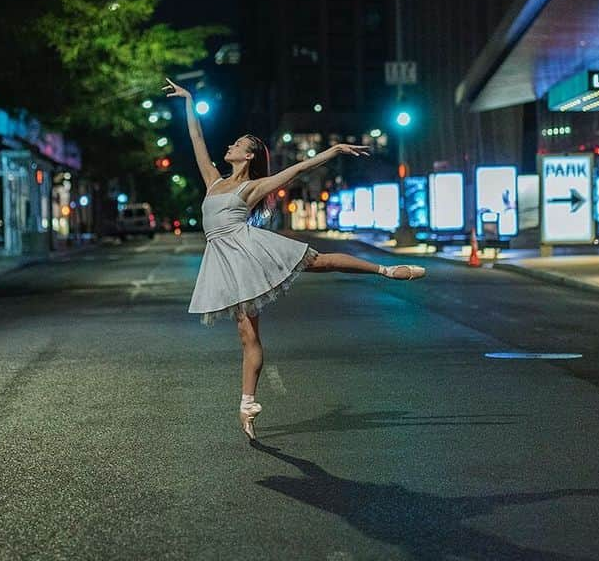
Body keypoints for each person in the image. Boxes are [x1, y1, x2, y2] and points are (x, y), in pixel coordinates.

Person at [163, 77, 425, 440]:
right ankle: (248, 405)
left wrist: (333, 151)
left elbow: (298, 170)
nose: (230, 145)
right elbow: (196, 139)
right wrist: (189, 100)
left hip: (248, 248)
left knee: (318, 261)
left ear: (249, 155)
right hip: (224, 262)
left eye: (237, 144)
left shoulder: (252, 186)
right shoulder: (212, 180)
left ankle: (385, 269)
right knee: (247, 336)